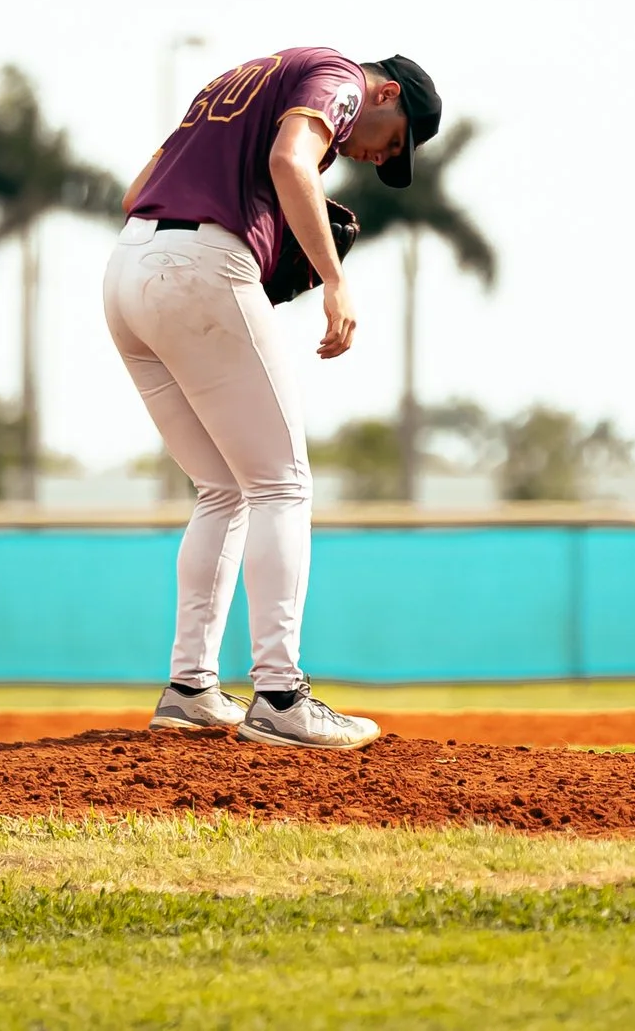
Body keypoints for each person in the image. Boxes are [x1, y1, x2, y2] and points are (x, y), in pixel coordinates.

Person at [105, 48, 441, 749]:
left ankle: (191, 686)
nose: (384, 159)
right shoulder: (341, 79)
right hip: (198, 264)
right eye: (396, 142)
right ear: (386, 94)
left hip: (128, 270)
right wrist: (334, 279)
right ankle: (281, 695)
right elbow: (291, 161)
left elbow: (141, 185)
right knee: (282, 484)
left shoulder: (236, 81)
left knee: (222, 488)